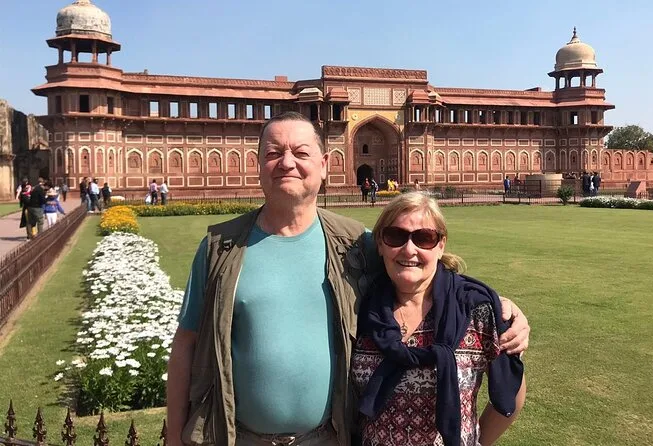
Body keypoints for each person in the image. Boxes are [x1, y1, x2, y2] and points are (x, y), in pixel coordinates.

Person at [167, 112, 530, 446]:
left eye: (301, 153)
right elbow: (186, 344)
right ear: (258, 163)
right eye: (274, 153)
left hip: (330, 437)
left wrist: (501, 309)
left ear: (326, 165)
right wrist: (174, 436)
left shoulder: (355, 245)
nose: (287, 163)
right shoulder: (221, 249)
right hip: (239, 437)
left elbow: (422, 272)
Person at [352, 193, 526, 446]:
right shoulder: (361, 308)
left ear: (441, 245)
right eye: (395, 236)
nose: (409, 249)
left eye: (424, 238)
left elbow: (512, 391)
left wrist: (477, 441)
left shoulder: (474, 310)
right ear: (380, 244)